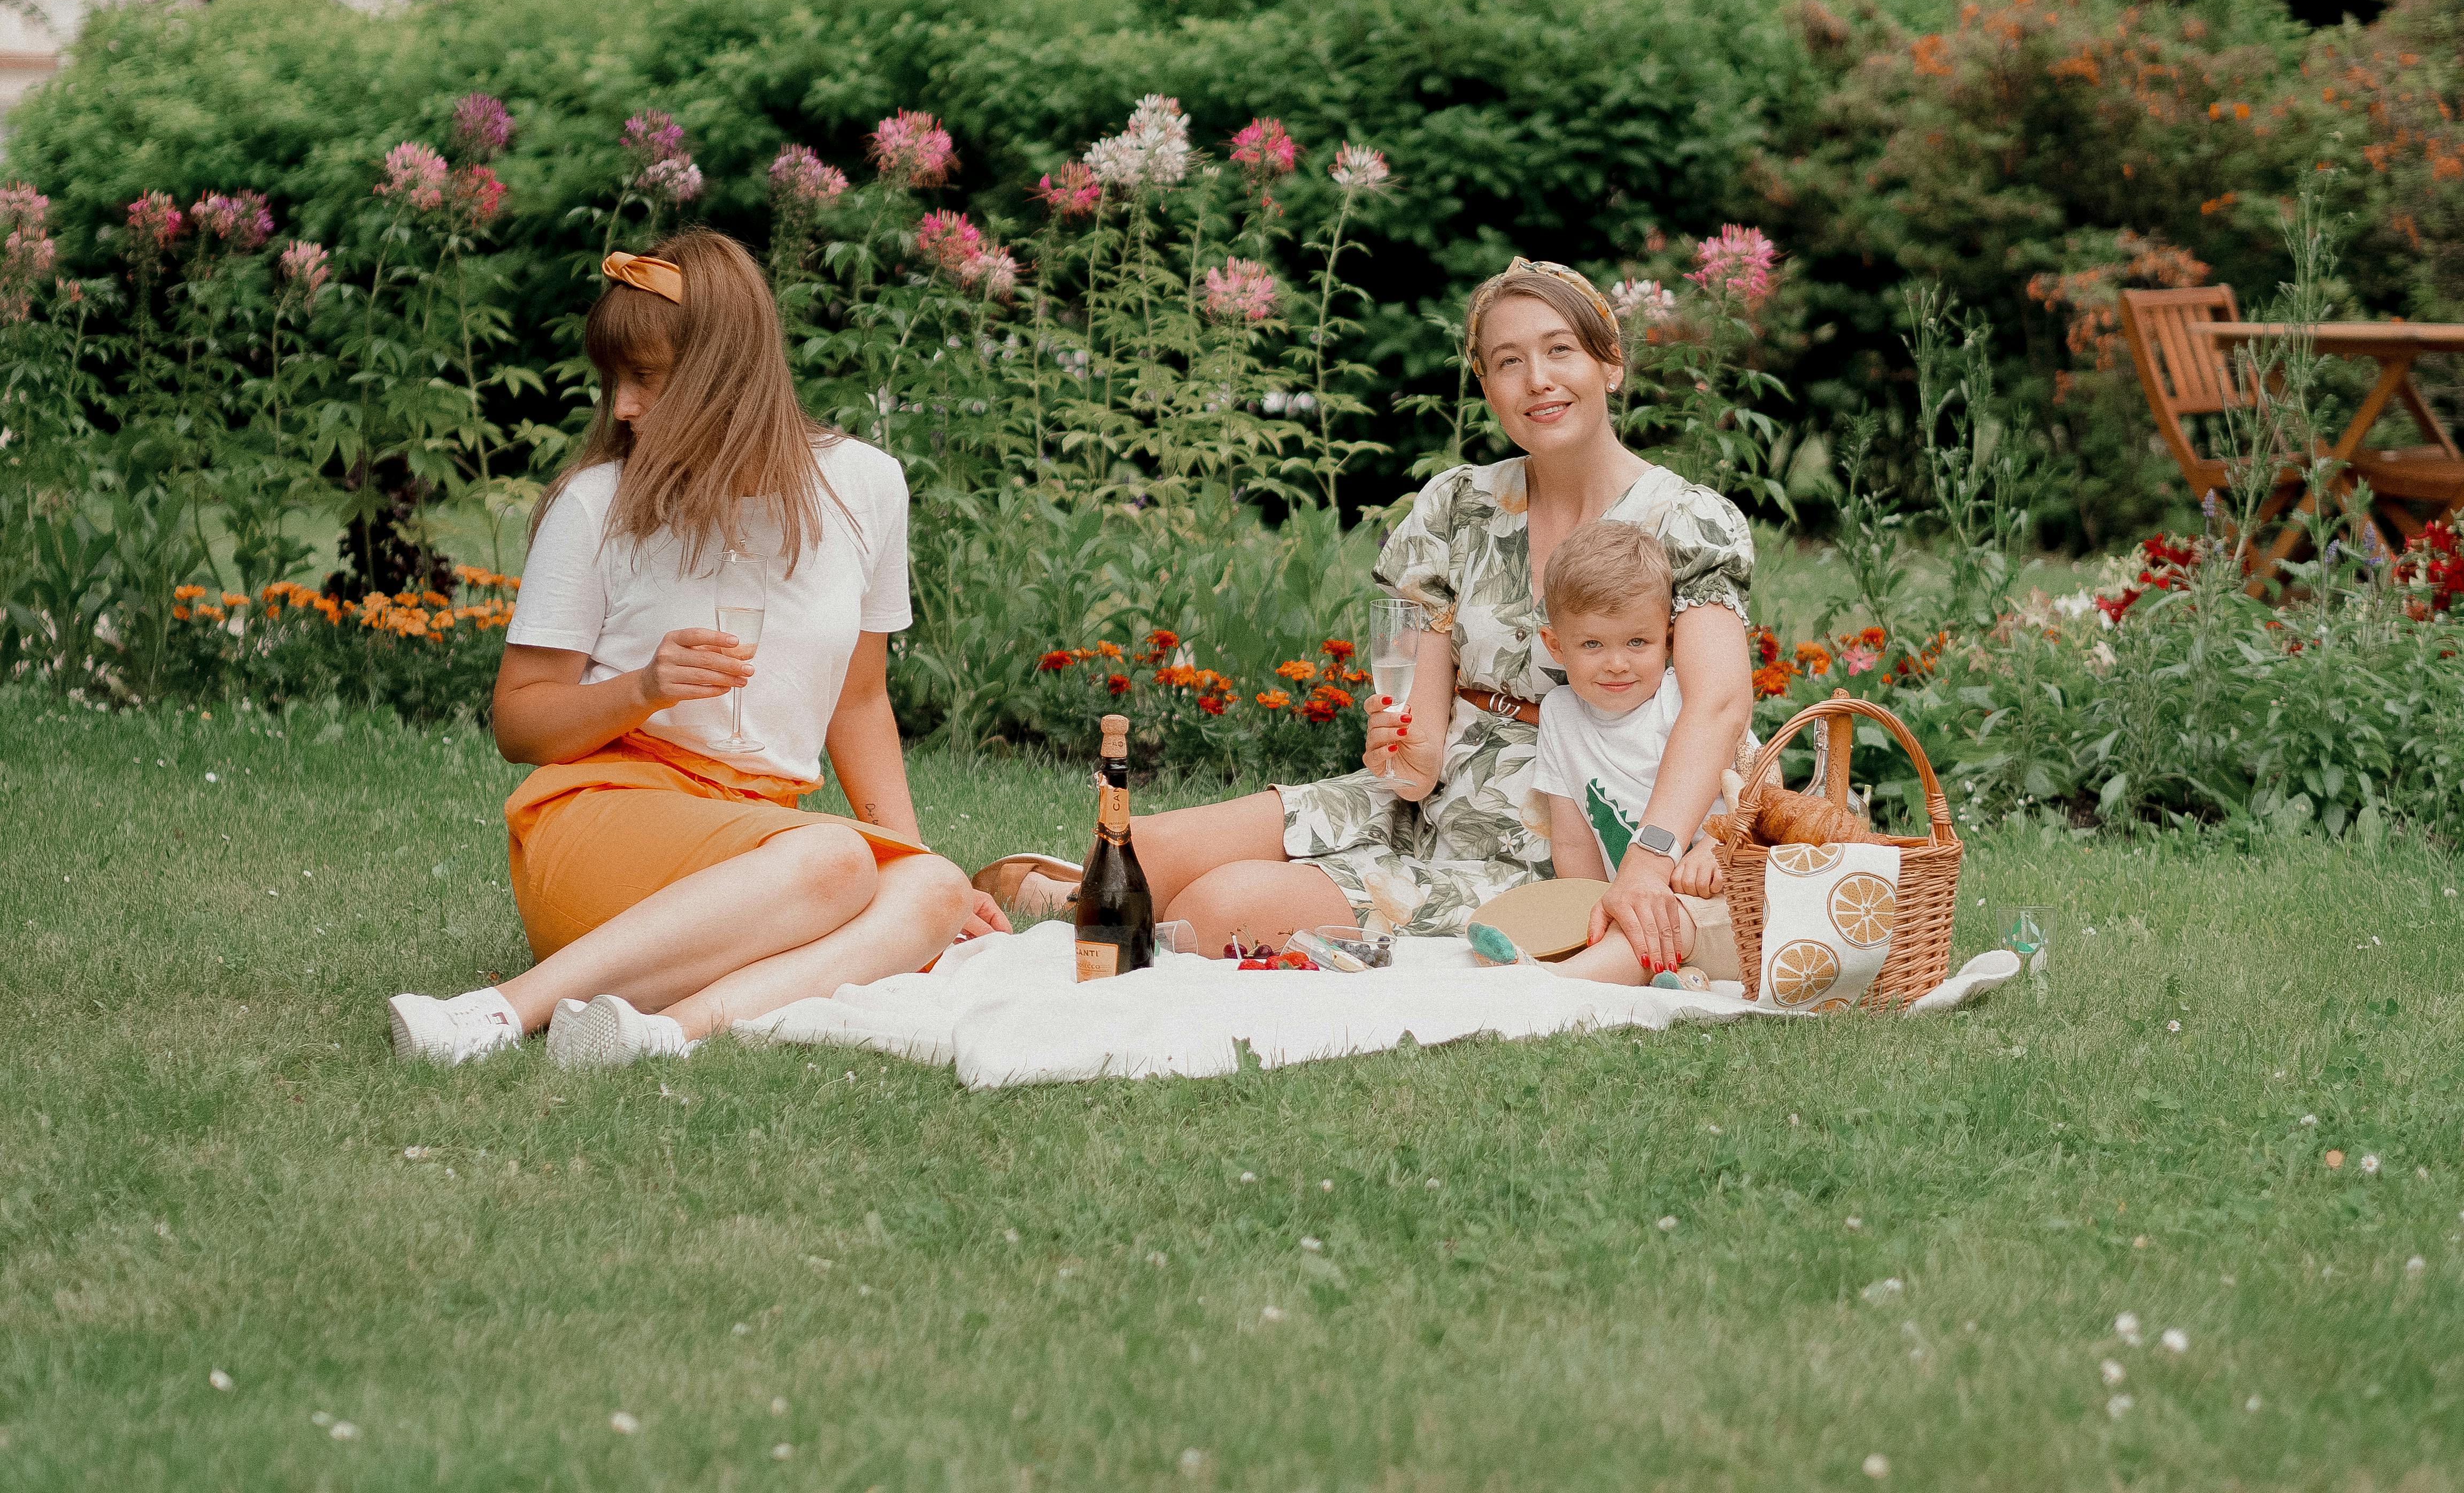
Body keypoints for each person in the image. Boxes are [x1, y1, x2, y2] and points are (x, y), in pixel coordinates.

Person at [1013, 257, 1755, 965]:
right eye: (1507, 362)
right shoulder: (1455, 507)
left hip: (1567, 833)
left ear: (1610, 363)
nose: (1538, 381)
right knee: (1139, 851)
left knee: (1222, 905)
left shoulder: (1687, 519)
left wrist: (1650, 859)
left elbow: (1719, 704)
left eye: (1560, 350)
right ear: (1487, 386)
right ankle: (1081, 900)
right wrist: (1400, 754)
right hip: (1436, 796)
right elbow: (1417, 755)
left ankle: (1129, 915)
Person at [384, 230, 1002, 1070]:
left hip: (754, 850)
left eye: (645, 378)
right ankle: (493, 1014)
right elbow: (519, 725)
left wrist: (918, 857)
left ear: (725, 375)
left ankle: (662, 1033)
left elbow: (858, 702)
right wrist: (641, 688)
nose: (623, 408)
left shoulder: (865, 488)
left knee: (930, 888)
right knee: (834, 858)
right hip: (604, 813)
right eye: (615, 381)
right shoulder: (597, 504)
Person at [1523, 519, 1743, 987]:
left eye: (1637, 642)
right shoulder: (1560, 715)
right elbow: (1572, 839)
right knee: (1617, 931)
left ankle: (1543, 990)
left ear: (1668, 638)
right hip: (1637, 903)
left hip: (1724, 900)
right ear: (1556, 646)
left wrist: (1720, 845)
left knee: (1664, 927)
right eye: (1592, 644)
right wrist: (1592, 914)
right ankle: (1651, 976)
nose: (1617, 662)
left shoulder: (1682, 701)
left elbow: (1768, 781)